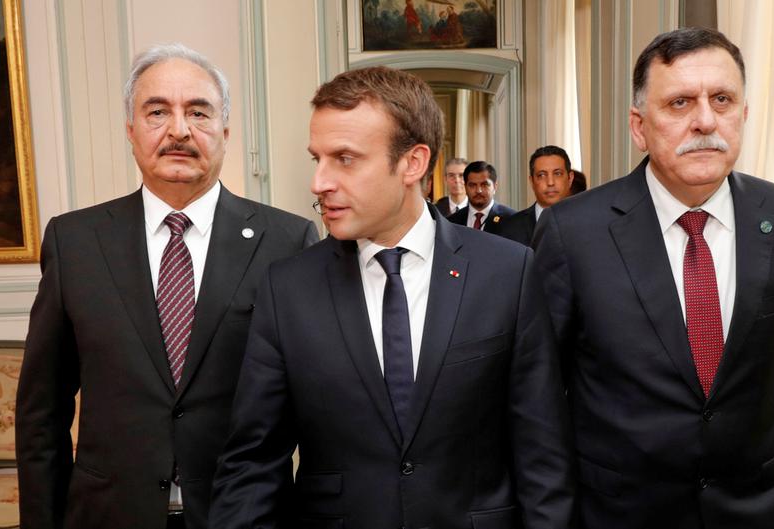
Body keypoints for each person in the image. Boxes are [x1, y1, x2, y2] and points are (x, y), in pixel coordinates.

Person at [211, 66, 573, 529]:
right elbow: (252, 464)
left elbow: (542, 456)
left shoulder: (508, 271)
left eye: (345, 158)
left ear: (413, 163)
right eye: (316, 159)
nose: (319, 182)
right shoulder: (288, 288)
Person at [533, 27, 774, 529]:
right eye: (679, 103)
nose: (704, 120)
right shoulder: (573, 233)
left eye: (722, 99)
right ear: (639, 126)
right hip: (617, 514)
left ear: (744, 113)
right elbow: (541, 402)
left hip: (759, 511)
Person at [15, 43, 318, 529]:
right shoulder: (74, 242)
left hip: (243, 515)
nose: (179, 129)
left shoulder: (287, 241)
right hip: (108, 514)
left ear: (225, 130)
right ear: (130, 130)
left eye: (198, 111)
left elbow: (316, 407)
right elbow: (40, 412)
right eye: (157, 111)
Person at [498, 145, 575, 246]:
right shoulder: (509, 227)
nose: (550, 182)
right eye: (542, 175)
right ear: (532, 181)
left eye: (557, 174)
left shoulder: (588, 224)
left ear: (570, 178)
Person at [447, 160, 515, 234]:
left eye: (484, 185)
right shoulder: (452, 222)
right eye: (472, 185)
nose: (478, 190)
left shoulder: (511, 219)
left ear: (495, 187)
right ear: (465, 187)